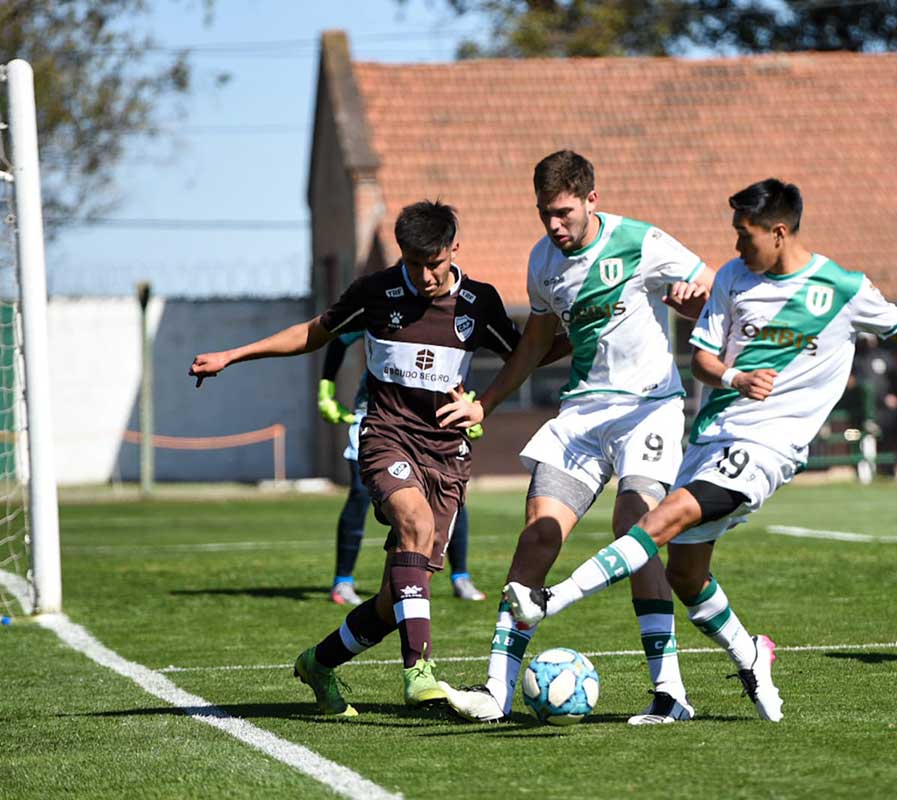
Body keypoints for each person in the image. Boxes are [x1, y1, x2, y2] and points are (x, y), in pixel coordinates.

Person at [501, 178, 897, 721]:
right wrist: (736, 377)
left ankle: (551, 600)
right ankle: (750, 654)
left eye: (746, 236)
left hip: (767, 446)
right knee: (685, 575)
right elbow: (702, 361)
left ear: (780, 232)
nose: (737, 246)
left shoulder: (839, 286)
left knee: (657, 520)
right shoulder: (735, 280)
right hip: (713, 435)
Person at [189, 200, 522, 714]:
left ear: (455, 248)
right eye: (414, 263)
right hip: (387, 438)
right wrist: (233, 355)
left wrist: (490, 397)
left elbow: (527, 352)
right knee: (412, 523)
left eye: (434, 262)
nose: (426, 274)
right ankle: (420, 673)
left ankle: (318, 663)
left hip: (448, 457)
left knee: (394, 604)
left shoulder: (479, 302)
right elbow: (313, 332)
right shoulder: (376, 292)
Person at [434, 150, 715, 725]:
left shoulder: (642, 240)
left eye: (563, 212)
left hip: (649, 409)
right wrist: (483, 402)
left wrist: (695, 303)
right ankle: (496, 692)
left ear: (592, 199)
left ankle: (669, 693)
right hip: (583, 414)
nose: (554, 226)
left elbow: (714, 291)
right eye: (544, 214)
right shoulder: (543, 260)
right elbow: (536, 344)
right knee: (538, 535)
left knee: (635, 532)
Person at [318, 333, 486, 605]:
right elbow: (338, 337)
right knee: (360, 492)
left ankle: (461, 576)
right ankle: (342, 581)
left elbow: (482, 353)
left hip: (437, 422)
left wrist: (477, 406)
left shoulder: (463, 308)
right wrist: (326, 389)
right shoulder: (384, 300)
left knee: (451, 495)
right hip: (378, 416)